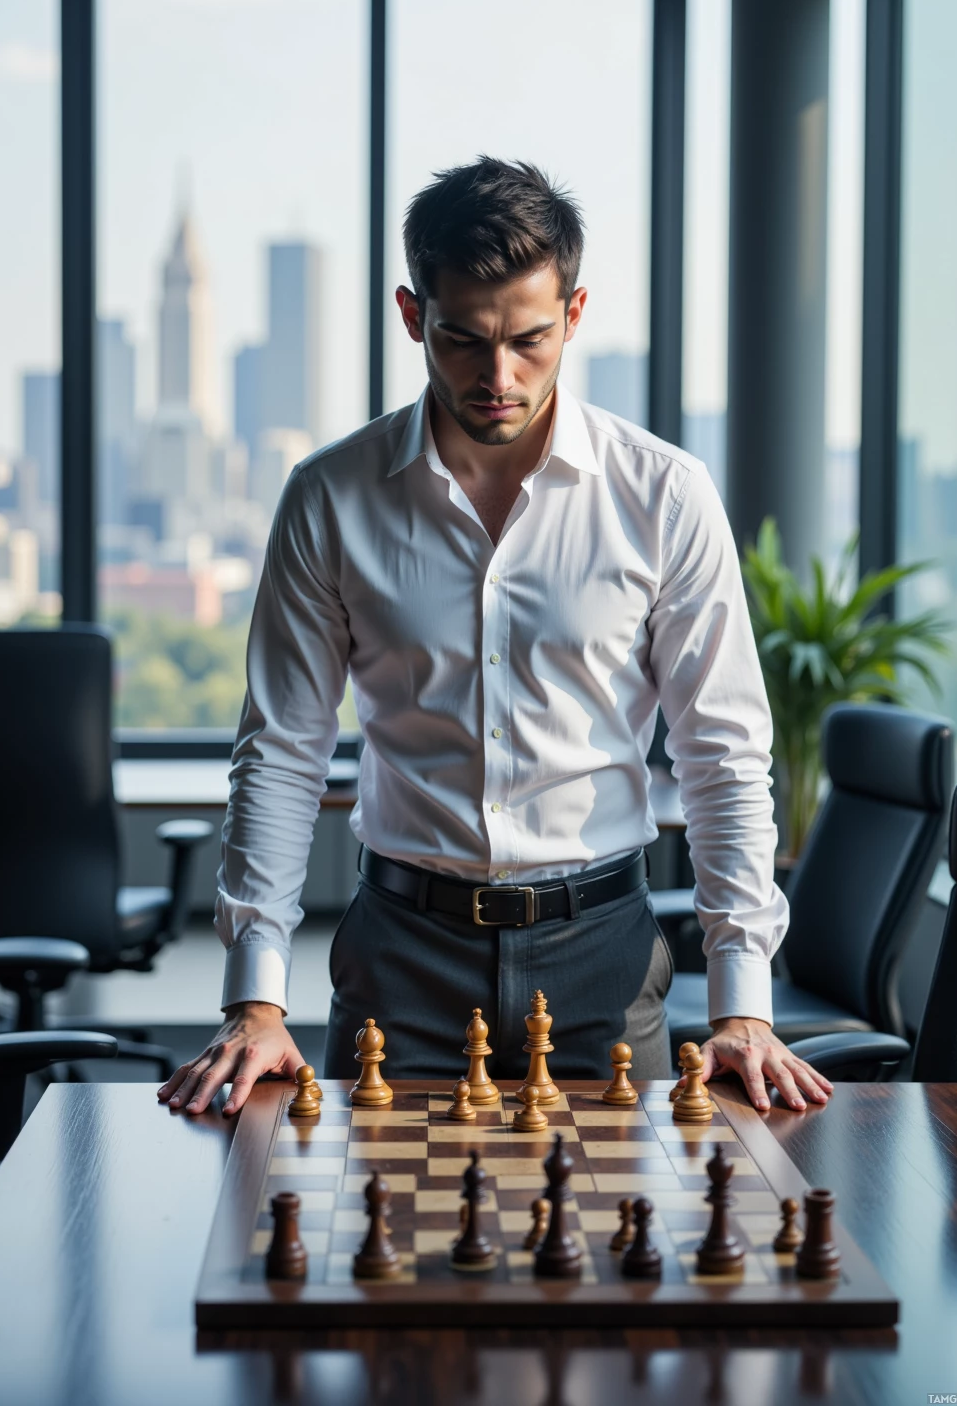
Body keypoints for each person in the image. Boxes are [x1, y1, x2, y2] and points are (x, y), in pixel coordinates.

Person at [160, 158, 831, 1120]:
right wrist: (255, 998)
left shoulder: (662, 496)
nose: (499, 377)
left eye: (529, 339)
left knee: (612, 1253)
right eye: (463, 340)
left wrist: (745, 1008)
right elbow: (280, 749)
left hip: (603, 952)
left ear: (576, 311)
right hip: (403, 952)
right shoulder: (331, 497)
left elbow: (722, 751)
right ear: (411, 315)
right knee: (392, 1256)